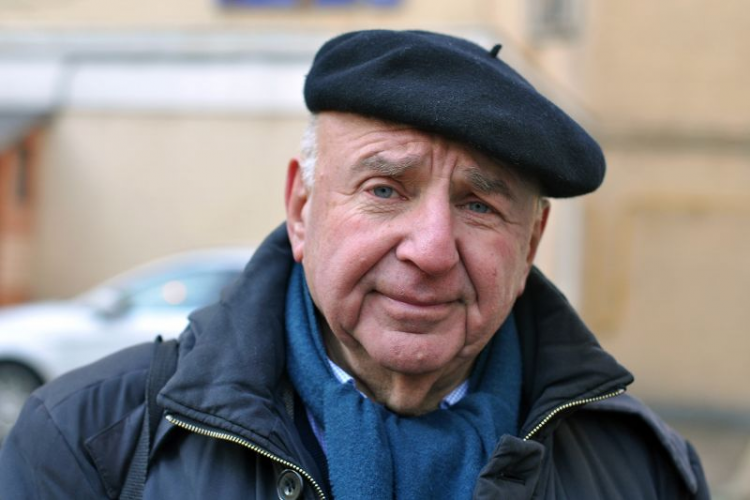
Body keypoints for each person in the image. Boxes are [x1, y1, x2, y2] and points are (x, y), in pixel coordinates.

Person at [0, 30, 709, 499]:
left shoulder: (646, 472)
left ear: (530, 244)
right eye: (384, 190)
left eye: (479, 205)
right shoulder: (89, 442)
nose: (430, 250)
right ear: (301, 207)